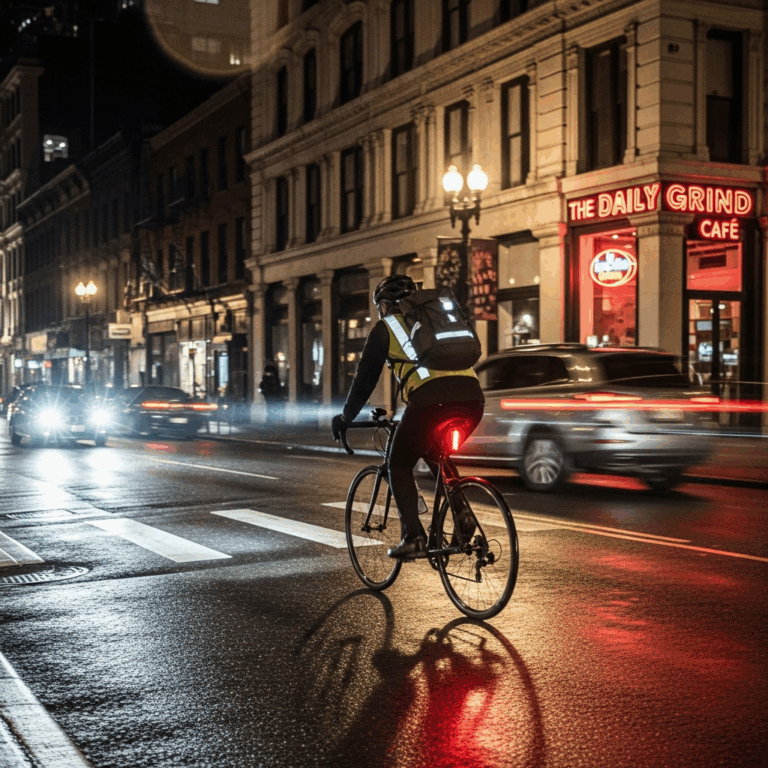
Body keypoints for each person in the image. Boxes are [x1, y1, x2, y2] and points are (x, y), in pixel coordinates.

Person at [331, 274, 485, 560]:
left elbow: (365, 379)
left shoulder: (386, 326)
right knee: (435, 452)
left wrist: (345, 416)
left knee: (398, 463)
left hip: (430, 401)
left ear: (384, 305)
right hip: (473, 399)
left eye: (380, 307)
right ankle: (463, 516)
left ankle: (413, 537)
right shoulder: (436, 318)